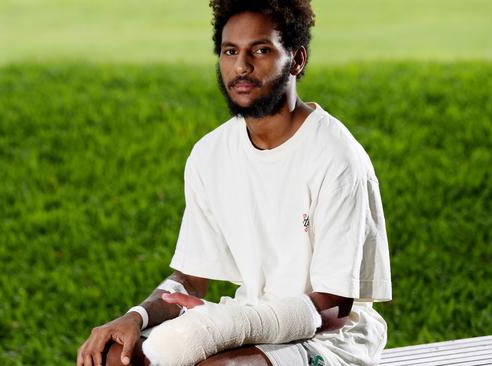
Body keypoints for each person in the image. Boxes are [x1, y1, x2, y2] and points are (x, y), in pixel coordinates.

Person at [77, 1, 392, 365]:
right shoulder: (210, 154)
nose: (241, 66)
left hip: (331, 339)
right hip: (253, 320)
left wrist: (224, 325)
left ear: (297, 59)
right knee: (114, 356)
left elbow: (335, 309)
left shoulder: (336, 157)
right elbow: (191, 279)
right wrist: (138, 316)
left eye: (260, 50)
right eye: (230, 51)